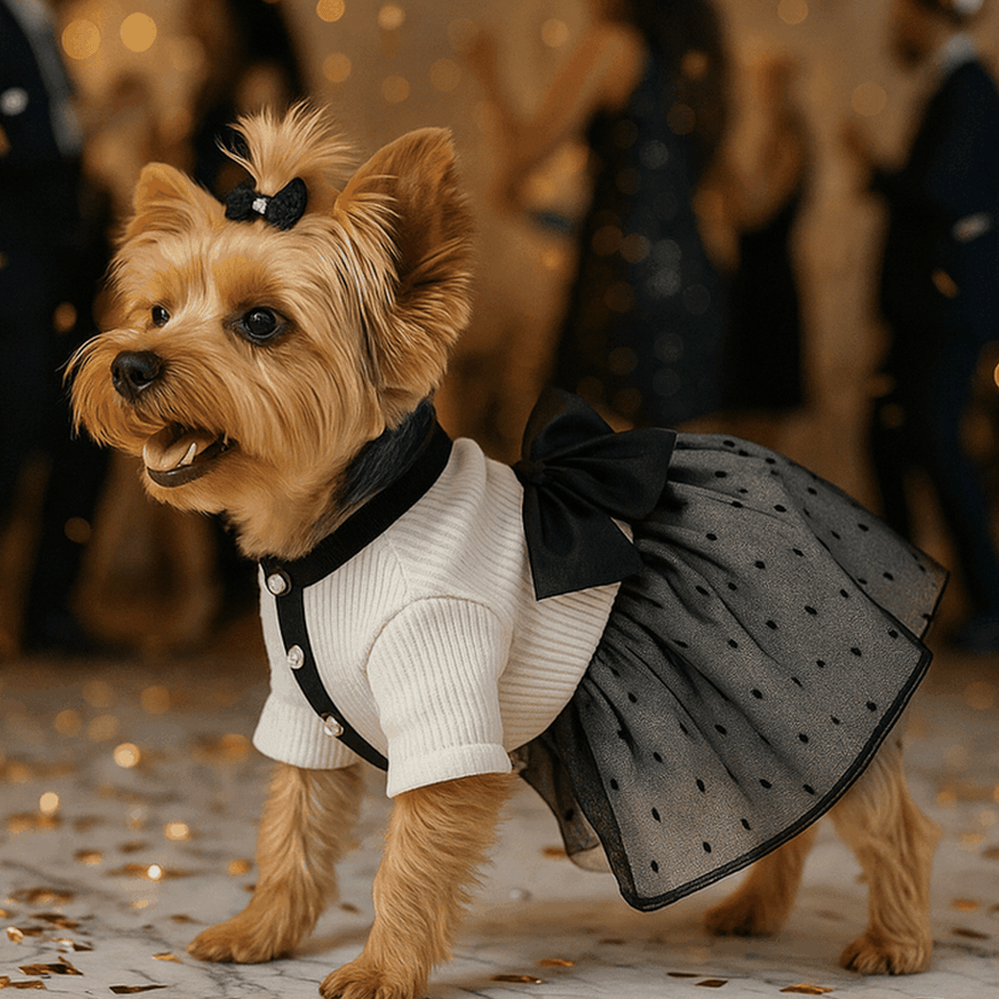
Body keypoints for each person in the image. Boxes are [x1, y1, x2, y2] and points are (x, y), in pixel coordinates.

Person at [470, 0, 730, 431]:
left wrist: (489, 77)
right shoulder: (691, 63)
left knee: (598, 451)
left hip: (623, 286)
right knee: (675, 452)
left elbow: (528, 150)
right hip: (693, 283)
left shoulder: (613, 45)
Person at [847, 0, 999, 652]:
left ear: (930, 13)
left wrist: (873, 168)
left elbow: (939, 192)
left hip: (943, 313)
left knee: (936, 446)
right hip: (925, 311)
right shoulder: (952, 87)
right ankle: (906, 595)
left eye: (901, 11)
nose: (893, 24)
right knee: (891, 442)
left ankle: (985, 601)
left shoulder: (969, 90)